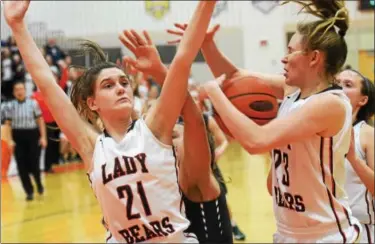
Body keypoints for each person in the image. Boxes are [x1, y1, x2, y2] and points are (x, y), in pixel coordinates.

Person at [3, 0, 216, 243]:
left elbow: (183, 60)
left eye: (124, 83)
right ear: (93, 103)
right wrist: (17, 25)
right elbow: (47, 83)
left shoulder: (155, 129)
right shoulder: (92, 148)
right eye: (109, 85)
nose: (120, 88)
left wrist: (207, 4)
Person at [168, 0, 361, 243]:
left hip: (326, 235)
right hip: (288, 231)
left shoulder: (330, 104)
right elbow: (235, 79)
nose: (284, 58)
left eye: (290, 50)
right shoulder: (295, 91)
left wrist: (214, 94)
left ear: (313, 58)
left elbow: (257, 141)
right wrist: (207, 45)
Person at [119, 28, 232, 243]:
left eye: (175, 136)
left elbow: (195, 121)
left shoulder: (195, 179)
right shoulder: (162, 183)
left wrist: (160, 71)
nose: (165, 143)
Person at [336, 69, 374, 243]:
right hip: (329, 229)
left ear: (363, 100)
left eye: (348, 85)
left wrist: (354, 158)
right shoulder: (321, 133)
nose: (339, 88)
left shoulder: (367, 134)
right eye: (337, 83)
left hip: (362, 229)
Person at [3, 82, 47, 200]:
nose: (19, 91)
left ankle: (38, 183)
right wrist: (9, 140)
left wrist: (43, 137)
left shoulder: (33, 103)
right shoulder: (10, 106)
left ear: (25, 90)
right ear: (14, 92)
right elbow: (7, 125)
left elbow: (40, 121)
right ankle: (29, 191)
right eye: (17, 89)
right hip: (18, 136)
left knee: (34, 164)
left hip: (32, 135)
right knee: (21, 166)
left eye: (21, 89)